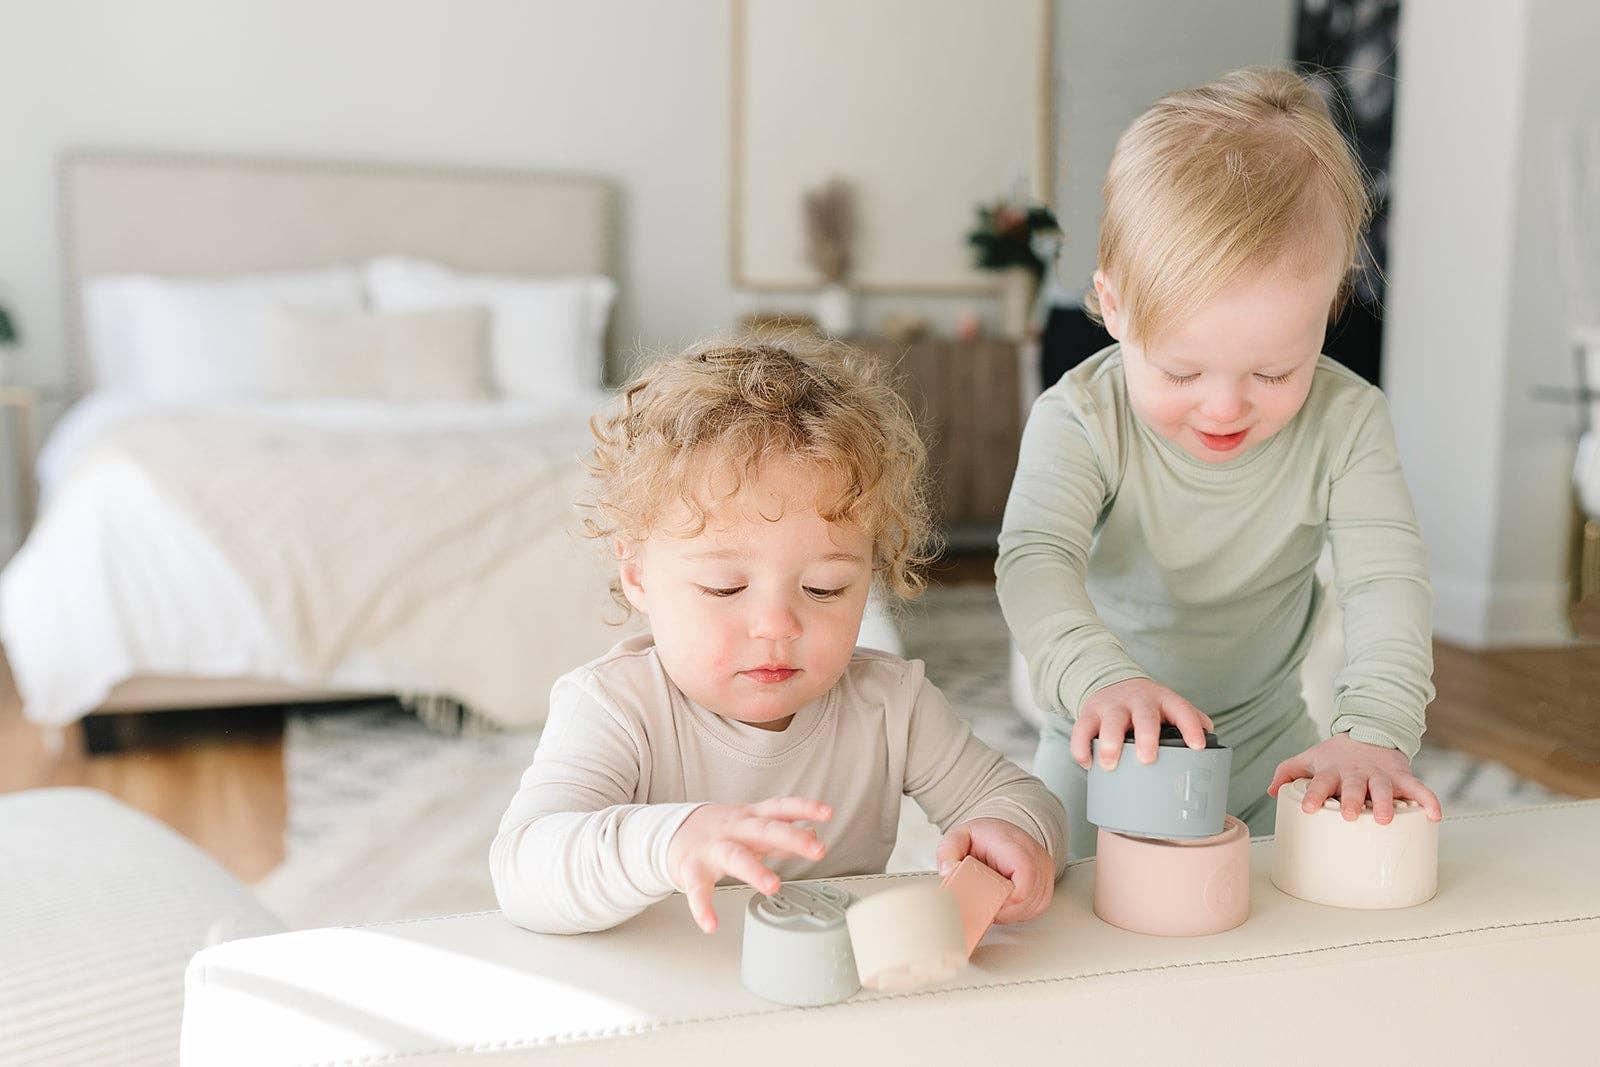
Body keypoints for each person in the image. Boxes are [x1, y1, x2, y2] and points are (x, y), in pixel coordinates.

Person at [998, 67, 1441, 860]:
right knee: (1057, 911)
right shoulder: (1079, 418)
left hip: (1265, 745)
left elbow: (1385, 581)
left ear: (1325, 311)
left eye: (1274, 373)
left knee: (1290, 927)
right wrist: (1100, 678)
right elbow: (1036, 559)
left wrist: (1373, 732)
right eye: (1180, 372)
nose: (1225, 407)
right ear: (1113, 304)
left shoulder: (1348, 421)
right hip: (1098, 740)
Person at [494, 335, 1069, 934]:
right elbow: (523, 869)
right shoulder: (615, 708)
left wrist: (1014, 833)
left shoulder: (890, 703)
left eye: (824, 588)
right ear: (637, 574)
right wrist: (668, 841)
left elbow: (1021, 799)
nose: (777, 625)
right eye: (723, 587)